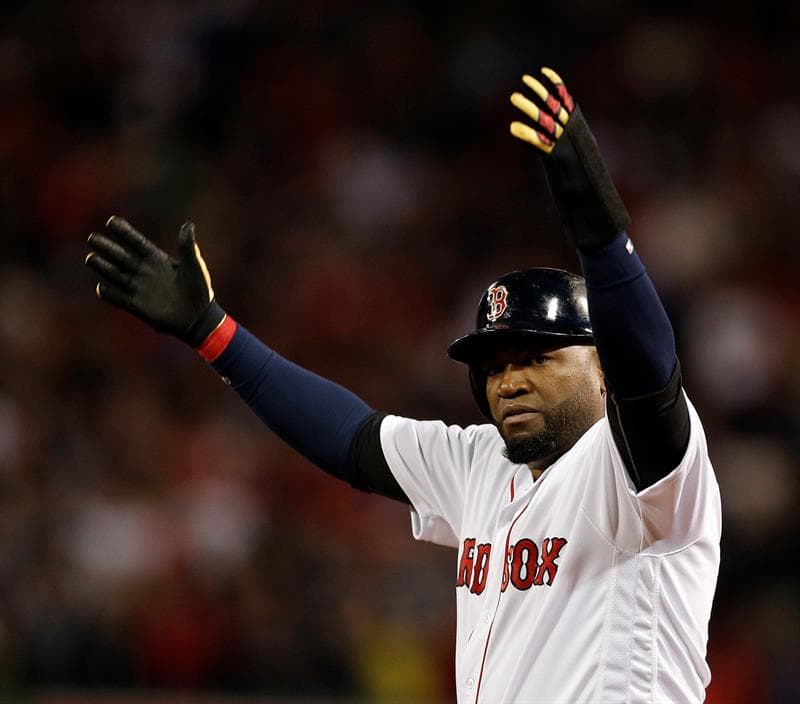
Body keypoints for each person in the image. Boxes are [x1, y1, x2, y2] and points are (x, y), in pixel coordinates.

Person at [85, 68, 721, 703]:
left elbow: (648, 367)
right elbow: (347, 438)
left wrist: (602, 234)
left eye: (537, 357)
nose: (511, 381)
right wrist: (210, 329)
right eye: (495, 366)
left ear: (602, 367)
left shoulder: (638, 465)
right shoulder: (480, 464)